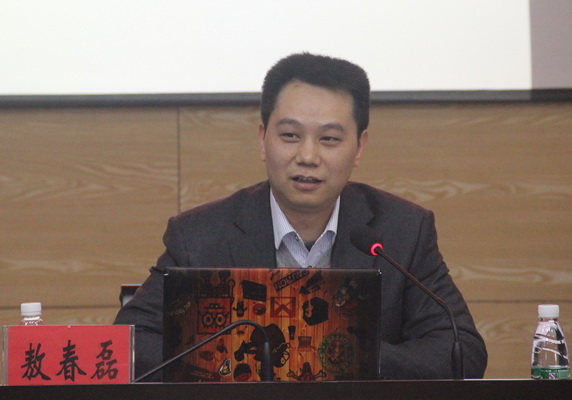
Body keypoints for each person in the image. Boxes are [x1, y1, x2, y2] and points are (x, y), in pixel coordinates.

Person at [114, 52, 487, 380]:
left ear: (359, 147)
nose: (308, 156)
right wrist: (240, 357)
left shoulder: (402, 231)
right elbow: (130, 345)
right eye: (290, 135)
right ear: (263, 139)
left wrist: (348, 356)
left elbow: (462, 351)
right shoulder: (199, 236)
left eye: (329, 139)